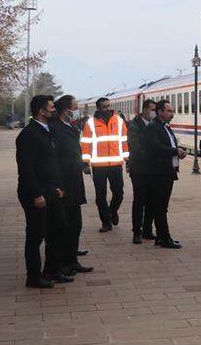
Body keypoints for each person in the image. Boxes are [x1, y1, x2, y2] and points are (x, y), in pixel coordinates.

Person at [16, 95, 69, 288]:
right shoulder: (28, 135)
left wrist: (58, 185)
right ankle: (34, 276)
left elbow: (53, 163)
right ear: (42, 111)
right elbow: (26, 168)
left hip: (50, 189)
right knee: (36, 235)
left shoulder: (48, 132)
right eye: (52, 107)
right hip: (35, 193)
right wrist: (36, 194)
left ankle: (53, 269)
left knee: (59, 229)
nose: (54, 110)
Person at [49, 95, 93, 275]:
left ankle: (71, 257)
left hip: (74, 182)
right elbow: (55, 159)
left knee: (75, 223)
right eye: (75, 108)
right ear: (66, 110)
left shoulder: (71, 128)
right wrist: (58, 184)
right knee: (67, 224)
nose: (78, 111)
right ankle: (66, 261)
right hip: (65, 184)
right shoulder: (55, 129)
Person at [142, 100, 187, 249]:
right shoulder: (153, 128)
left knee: (162, 206)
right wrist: (175, 151)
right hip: (158, 173)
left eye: (172, 111)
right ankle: (165, 237)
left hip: (167, 172)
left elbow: (167, 145)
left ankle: (161, 237)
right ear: (160, 112)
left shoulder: (165, 127)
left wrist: (178, 151)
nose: (172, 114)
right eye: (169, 111)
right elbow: (155, 147)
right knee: (160, 207)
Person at [80, 97, 128, 231]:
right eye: (104, 107)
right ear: (98, 109)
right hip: (98, 166)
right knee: (100, 196)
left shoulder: (119, 121)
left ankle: (112, 211)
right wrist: (85, 163)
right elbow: (85, 144)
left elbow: (125, 141)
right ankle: (106, 222)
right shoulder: (90, 123)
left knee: (118, 193)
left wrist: (128, 161)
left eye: (108, 106)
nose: (108, 109)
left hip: (116, 164)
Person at [127, 99, 157, 243]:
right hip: (139, 169)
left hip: (152, 170)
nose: (154, 113)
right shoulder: (134, 127)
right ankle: (136, 232)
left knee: (151, 200)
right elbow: (136, 150)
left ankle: (147, 230)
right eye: (152, 110)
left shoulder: (156, 125)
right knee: (139, 200)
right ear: (145, 110)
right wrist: (154, 160)